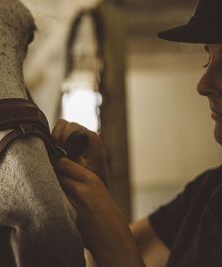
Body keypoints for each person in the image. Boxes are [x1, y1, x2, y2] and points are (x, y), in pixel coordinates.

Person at [52, 0, 222, 266]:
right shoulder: (208, 192)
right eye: (207, 60)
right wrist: (95, 209)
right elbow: (108, 257)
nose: (203, 84)